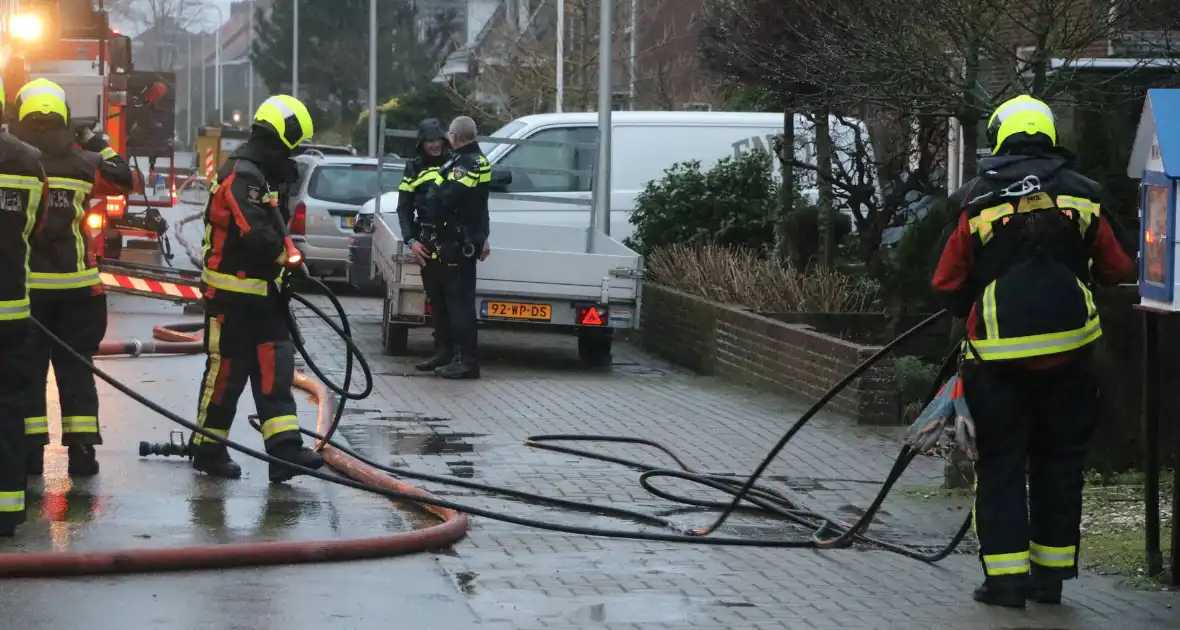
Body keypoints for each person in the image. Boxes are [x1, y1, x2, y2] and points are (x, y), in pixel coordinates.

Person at [931, 94, 1134, 608]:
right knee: (1060, 464)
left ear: (999, 134)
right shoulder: (1084, 195)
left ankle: (1005, 583)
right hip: (1071, 359)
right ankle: (1050, 580)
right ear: (1048, 134)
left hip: (996, 364)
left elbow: (946, 284)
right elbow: (1119, 267)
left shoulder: (974, 198)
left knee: (999, 465)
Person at [193, 94, 324, 482]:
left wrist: (288, 265)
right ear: (278, 138)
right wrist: (288, 259)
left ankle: (284, 454)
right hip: (231, 299)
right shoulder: (242, 174)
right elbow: (257, 235)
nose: (294, 157)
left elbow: (274, 233)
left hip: (265, 298)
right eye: (292, 148)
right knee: (226, 377)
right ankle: (207, 450)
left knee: (276, 371)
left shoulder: (265, 175)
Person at [14, 78, 133, 478]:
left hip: (26, 292)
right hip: (79, 290)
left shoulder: (17, 162)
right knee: (77, 371)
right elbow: (123, 177)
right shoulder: (85, 163)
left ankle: (31, 454)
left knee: (26, 373)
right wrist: (96, 138)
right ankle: (82, 452)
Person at [0, 77, 48, 536]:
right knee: (9, 410)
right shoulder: (29, 161)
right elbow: (34, 227)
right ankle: (7, 511)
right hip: (11, 312)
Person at [426, 116, 491, 379]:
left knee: (460, 305)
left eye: (449, 135)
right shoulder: (472, 160)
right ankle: (456, 356)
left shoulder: (466, 164)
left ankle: (466, 361)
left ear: (455, 136)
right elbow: (481, 206)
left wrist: (436, 186)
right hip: (464, 239)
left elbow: (446, 198)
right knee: (454, 303)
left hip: (458, 242)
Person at [396, 118, 456, 371]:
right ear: (421, 143)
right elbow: (404, 208)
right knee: (437, 300)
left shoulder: (454, 162)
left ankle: (457, 354)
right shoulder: (413, 168)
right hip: (427, 240)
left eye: (438, 140)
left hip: (453, 239)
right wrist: (411, 241)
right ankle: (442, 352)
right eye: (430, 141)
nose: (434, 145)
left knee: (456, 301)